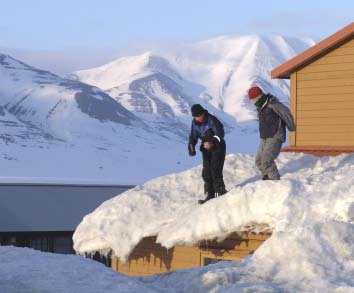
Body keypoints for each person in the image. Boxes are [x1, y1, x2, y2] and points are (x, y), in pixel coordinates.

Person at [248, 86, 296, 180]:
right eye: (252, 101)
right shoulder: (261, 107)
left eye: (255, 100)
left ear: (260, 96)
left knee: (266, 160)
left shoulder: (273, 104)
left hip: (275, 136)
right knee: (259, 160)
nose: (254, 103)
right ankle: (267, 177)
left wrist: (292, 127)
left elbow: (286, 113)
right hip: (265, 137)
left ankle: (275, 181)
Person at [188, 104, 227, 204]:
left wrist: (213, 142)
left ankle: (221, 192)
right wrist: (191, 146)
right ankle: (210, 194)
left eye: (200, 115)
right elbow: (193, 136)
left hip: (218, 147)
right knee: (206, 172)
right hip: (206, 148)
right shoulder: (194, 122)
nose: (199, 118)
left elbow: (221, 133)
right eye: (196, 116)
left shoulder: (211, 119)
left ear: (203, 113)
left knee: (215, 170)